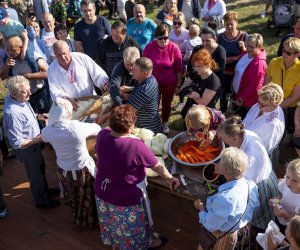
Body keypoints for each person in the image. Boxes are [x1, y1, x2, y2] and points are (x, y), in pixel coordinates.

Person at [95, 104, 180, 249]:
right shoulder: (135, 145)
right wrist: (170, 178)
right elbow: (157, 166)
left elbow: (110, 135)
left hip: (102, 190)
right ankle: (144, 243)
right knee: (133, 227)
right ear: (131, 126)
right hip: (125, 197)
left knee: (113, 221)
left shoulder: (102, 135)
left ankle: (117, 243)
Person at [217, 116, 279, 248]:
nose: (224, 142)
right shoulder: (245, 133)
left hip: (260, 187)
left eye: (224, 140)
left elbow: (244, 185)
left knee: (261, 222)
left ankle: (261, 244)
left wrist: (223, 171)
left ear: (234, 138)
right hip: (263, 176)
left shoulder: (250, 157)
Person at [41, 98, 101, 227]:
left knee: (74, 195)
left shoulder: (47, 131)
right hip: (82, 169)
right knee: (86, 196)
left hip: (64, 169)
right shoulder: (76, 127)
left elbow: (45, 137)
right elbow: (97, 128)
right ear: (68, 113)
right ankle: (89, 219)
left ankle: (77, 216)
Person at [3, 75, 60, 209]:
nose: (30, 93)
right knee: (35, 175)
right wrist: (41, 138)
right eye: (25, 92)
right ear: (14, 93)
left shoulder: (16, 99)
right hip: (28, 149)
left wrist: (38, 116)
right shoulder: (13, 114)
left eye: (29, 89)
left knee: (40, 168)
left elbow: (26, 111)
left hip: (33, 144)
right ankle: (41, 201)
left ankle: (44, 190)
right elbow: (17, 143)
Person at [194, 147, 259, 250]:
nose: (218, 163)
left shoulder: (225, 199)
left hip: (224, 236)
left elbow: (211, 225)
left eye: (220, 162)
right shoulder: (251, 185)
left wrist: (201, 210)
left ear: (226, 170)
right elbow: (254, 206)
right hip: (241, 228)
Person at [143, 23, 183, 134]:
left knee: (167, 103)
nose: (164, 41)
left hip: (170, 82)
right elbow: (144, 64)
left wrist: (178, 85)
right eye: (161, 38)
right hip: (153, 83)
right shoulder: (150, 47)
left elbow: (179, 68)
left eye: (166, 38)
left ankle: (164, 122)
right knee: (153, 104)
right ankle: (153, 122)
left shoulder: (174, 48)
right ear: (156, 38)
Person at [48, 40, 109, 107]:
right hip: (70, 107)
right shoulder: (52, 69)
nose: (63, 57)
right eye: (59, 55)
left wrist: (104, 83)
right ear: (55, 55)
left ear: (69, 49)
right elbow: (54, 90)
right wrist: (65, 98)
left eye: (64, 53)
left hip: (91, 102)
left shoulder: (82, 58)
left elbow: (98, 74)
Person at [0, 36, 51, 115]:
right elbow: (3, 77)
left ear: (21, 47)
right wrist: (6, 67)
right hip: (22, 97)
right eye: (8, 50)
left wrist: (28, 76)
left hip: (39, 93)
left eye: (12, 50)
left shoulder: (33, 56)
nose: (10, 53)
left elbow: (48, 73)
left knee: (45, 116)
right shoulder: (9, 59)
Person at [264, 37, 300, 134]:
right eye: (283, 51)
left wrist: (275, 106)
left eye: (288, 53)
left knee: (283, 133)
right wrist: (266, 103)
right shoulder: (274, 62)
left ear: (297, 54)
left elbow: (294, 97)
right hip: (270, 104)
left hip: (289, 109)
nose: (284, 54)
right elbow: (265, 85)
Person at [217, 11, 249, 113]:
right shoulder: (220, 38)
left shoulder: (244, 36)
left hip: (241, 74)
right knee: (223, 95)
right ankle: (222, 115)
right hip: (225, 73)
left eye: (232, 24)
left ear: (237, 23)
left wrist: (243, 48)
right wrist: (236, 58)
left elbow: (251, 55)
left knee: (238, 96)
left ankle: (236, 115)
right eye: (227, 24)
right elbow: (219, 58)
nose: (229, 26)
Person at [231, 33, 267, 119]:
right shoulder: (245, 54)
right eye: (247, 46)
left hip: (246, 102)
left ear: (259, 47)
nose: (249, 49)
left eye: (252, 47)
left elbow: (255, 86)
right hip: (237, 94)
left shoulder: (259, 63)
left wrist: (242, 98)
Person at [243, 83, 285, 155]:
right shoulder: (258, 105)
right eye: (258, 101)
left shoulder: (273, 124)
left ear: (274, 105)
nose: (258, 106)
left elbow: (264, 149)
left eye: (262, 105)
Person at [181, 49, 221, 119]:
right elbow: (183, 88)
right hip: (190, 108)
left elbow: (203, 103)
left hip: (203, 114)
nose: (196, 69)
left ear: (208, 64)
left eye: (199, 66)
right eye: (195, 66)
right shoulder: (195, 73)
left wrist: (195, 96)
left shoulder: (213, 81)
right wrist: (192, 94)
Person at [127, 57, 161, 133]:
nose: (132, 71)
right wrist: (129, 88)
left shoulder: (145, 90)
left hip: (147, 128)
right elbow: (139, 89)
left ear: (144, 73)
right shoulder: (151, 78)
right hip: (150, 122)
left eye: (135, 70)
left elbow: (127, 109)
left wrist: (106, 116)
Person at [269, 159, 300, 234]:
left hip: (292, 229)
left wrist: (286, 216)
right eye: (287, 177)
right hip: (279, 220)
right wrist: (275, 201)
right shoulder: (285, 183)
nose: (288, 183)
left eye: (294, 180)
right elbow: (280, 193)